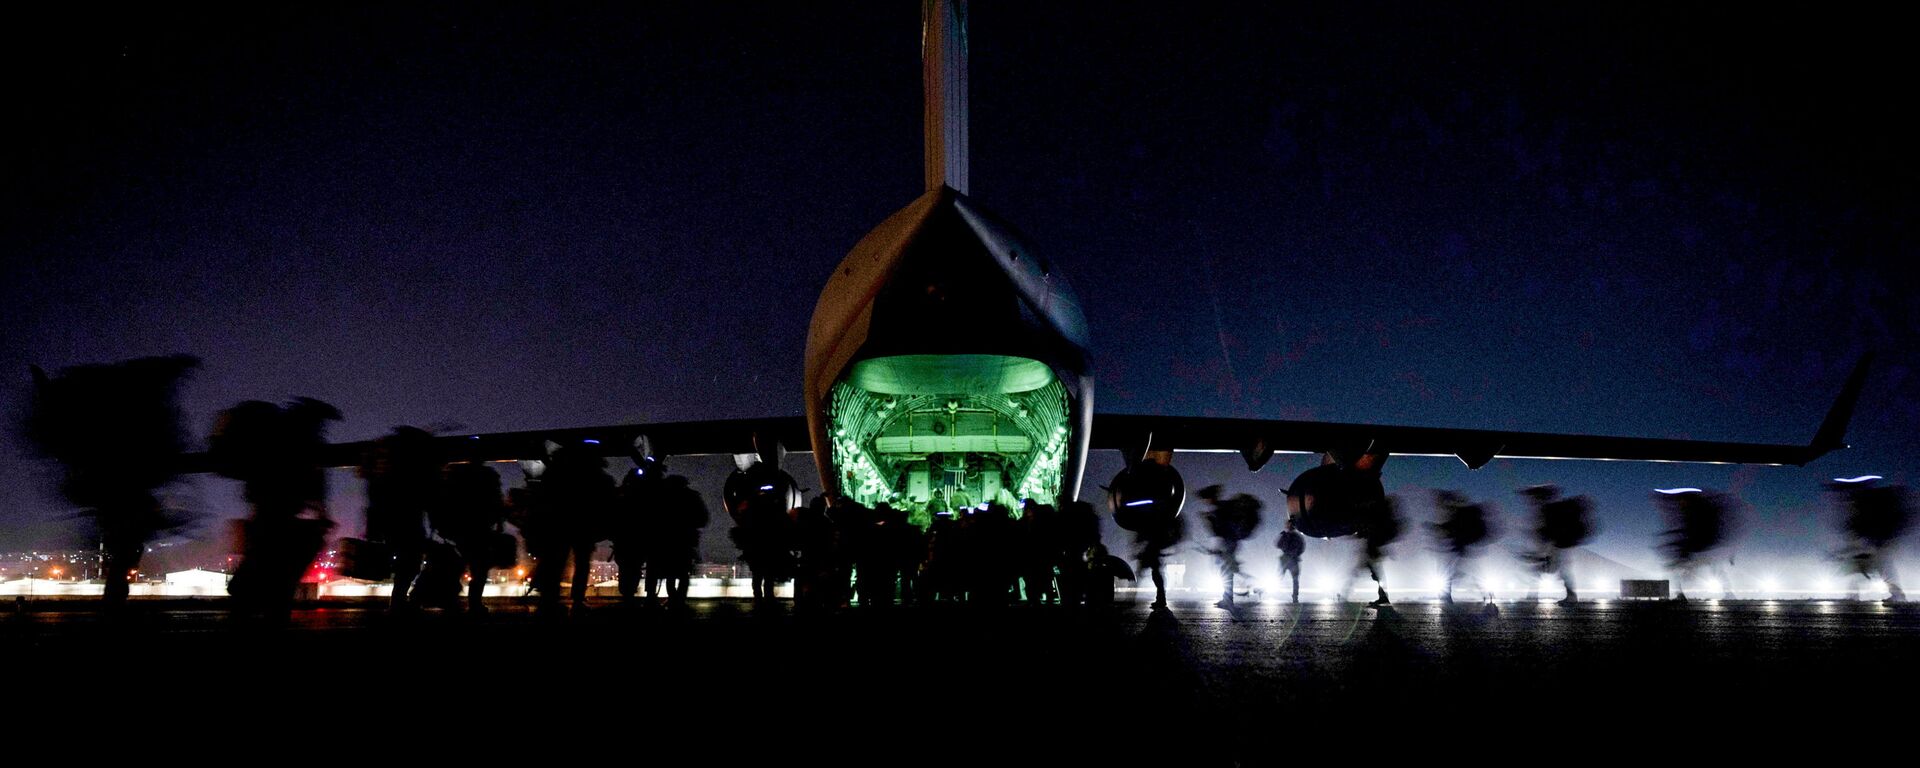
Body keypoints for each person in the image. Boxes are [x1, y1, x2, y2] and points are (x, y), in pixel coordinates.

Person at [1277, 517, 1306, 603]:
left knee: (1282, 576)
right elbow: (1302, 548)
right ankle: (1295, 597)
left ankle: (1294, 596)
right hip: (1293, 559)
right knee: (1294, 579)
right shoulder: (1297, 537)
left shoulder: (1289, 536)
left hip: (1289, 559)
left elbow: (1278, 544)